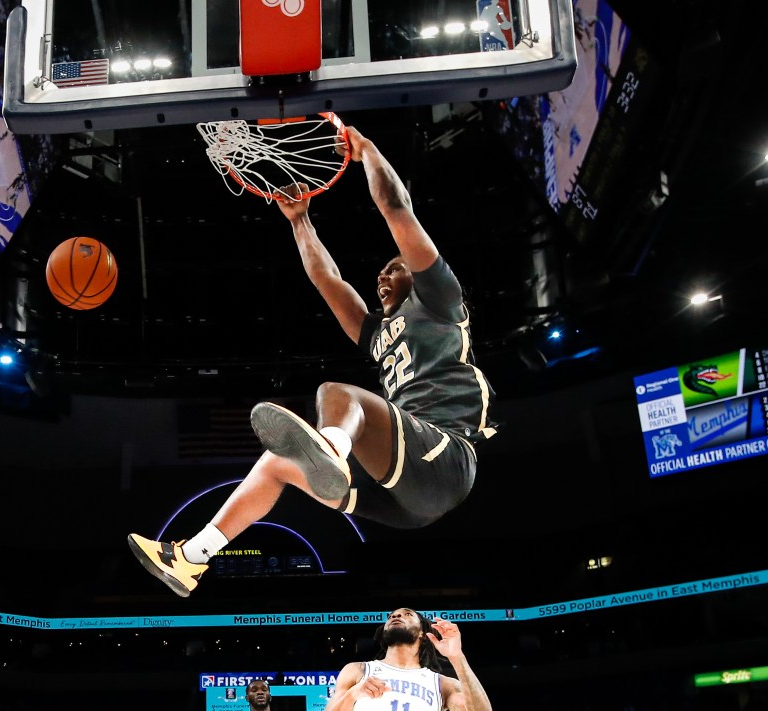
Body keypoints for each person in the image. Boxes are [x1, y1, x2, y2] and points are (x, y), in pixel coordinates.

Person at [128, 124, 498, 597]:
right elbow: (327, 280)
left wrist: (367, 151)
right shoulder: (375, 334)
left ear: (418, 273)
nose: (382, 277)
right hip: (407, 500)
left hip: (445, 456)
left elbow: (395, 208)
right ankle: (192, 557)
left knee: (336, 395)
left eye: (393, 268)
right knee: (277, 461)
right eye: (380, 274)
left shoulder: (442, 300)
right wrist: (300, 220)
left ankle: (332, 448)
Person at [326, 608, 492, 711]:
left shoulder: (443, 684)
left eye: (407, 614)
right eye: (392, 615)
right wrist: (353, 694)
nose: (396, 615)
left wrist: (457, 657)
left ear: (422, 633)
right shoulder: (357, 670)